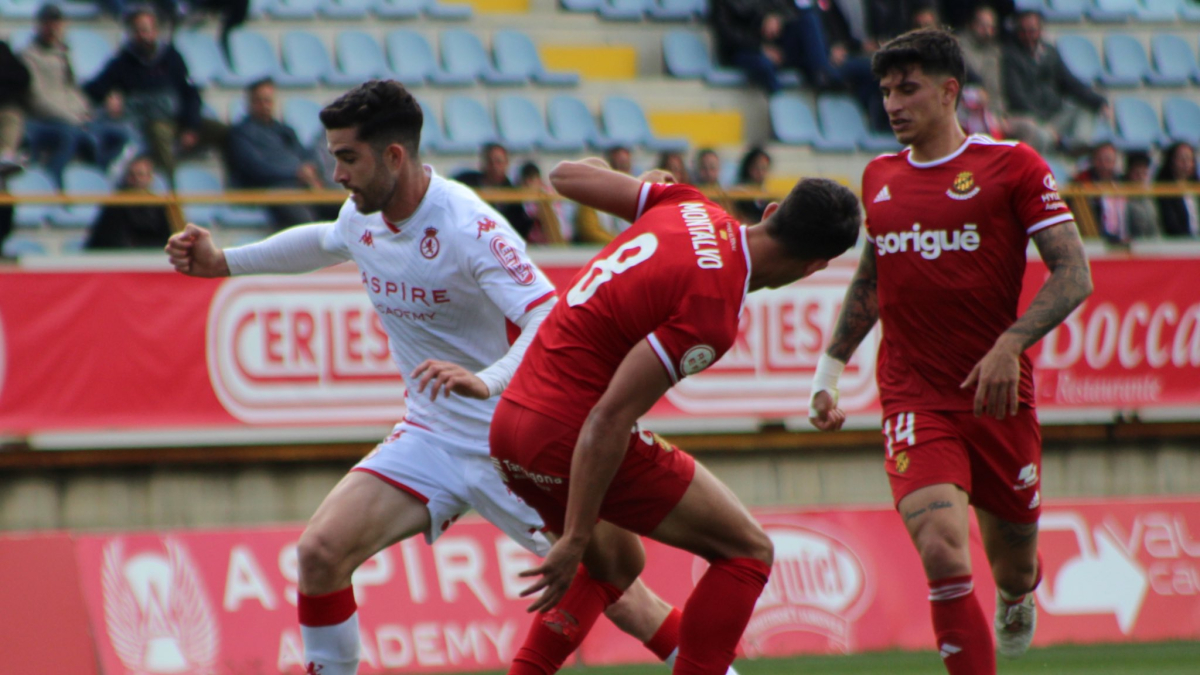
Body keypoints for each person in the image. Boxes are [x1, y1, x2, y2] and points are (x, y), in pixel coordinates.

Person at [165, 80, 722, 675]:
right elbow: (325, 242)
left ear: (394, 156)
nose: (337, 174)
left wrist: (488, 380)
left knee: (623, 595)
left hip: (512, 442)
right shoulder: (361, 217)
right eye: (333, 157)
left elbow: (546, 314)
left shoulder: (468, 227)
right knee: (320, 552)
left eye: (347, 157)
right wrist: (225, 262)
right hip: (430, 435)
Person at [489, 162, 860, 675]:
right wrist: (574, 536)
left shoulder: (686, 203)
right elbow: (609, 418)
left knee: (616, 565)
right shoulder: (713, 310)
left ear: (772, 211)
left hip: (508, 426)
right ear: (815, 267)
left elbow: (564, 176)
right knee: (747, 552)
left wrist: (646, 187)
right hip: (565, 431)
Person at [809, 28, 1093, 675]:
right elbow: (872, 280)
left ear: (949, 91)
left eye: (907, 89)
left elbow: (1073, 272)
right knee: (942, 548)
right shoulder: (879, 178)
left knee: (1014, 562)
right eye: (885, 91)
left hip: (998, 395)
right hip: (915, 396)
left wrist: (1011, 343)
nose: (892, 104)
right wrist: (829, 368)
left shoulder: (1014, 166)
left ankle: (1018, 593)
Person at [84, 5, 226, 178]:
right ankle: (171, 191)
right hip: (151, 122)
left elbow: (190, 94)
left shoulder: (172, 57)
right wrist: (108, 98)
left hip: (180, 119)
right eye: (137, 31)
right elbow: (93, 89)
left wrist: (191, 127)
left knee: (225, 133)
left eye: (146, 30)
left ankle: (237, 186)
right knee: (160, 132)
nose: (143, 36)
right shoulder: (122, 63)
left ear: (156, 31)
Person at [21, 4, 134, 186]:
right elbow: (36, 98)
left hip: (74, 116)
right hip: (45, 119)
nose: (53, 29)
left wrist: (86, 110)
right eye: (48, 24)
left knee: (121, 134)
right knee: (69, 135)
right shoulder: (28, 57)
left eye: (57, 24)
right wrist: (72, 117)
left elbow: (73, 91)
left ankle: (99, 175)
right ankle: (52, 184)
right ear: (39, 26)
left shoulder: (65, 53)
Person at [226, 78, 336, 231]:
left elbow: (305, 153)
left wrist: (310, 168)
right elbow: (255, 167)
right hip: (271, 190)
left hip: (302, 185)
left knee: (344, 207)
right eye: (259, 100)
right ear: (250, 103)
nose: (265, 105)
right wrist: (296, 173)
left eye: (268, 100)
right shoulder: (240, 134)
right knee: (308, 224)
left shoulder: (284, 130)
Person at [1002, 10, 1108, 154]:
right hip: (1031, 118)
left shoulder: (1050, 52)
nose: (1028, 36)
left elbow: (1070, 82)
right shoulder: (1010, 56)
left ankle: (1076, 147)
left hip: (1055, 115)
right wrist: (1043, 122)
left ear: (1040, 30)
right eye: (1023, 31)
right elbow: (1016, 95)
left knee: (1086, 108)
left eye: (1032, 31)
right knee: (1042, 136)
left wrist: (1099, 102)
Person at [86, 153, 172, 249]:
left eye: (140, 175)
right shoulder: (115, 205)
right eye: (132, 175)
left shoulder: (160, 206)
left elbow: (166, 239)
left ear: (149, 178)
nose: (136, 180)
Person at [453, 142, 536, 241]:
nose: (495, 167)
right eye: (490, 162)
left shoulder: (513, 194)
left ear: (506, 163)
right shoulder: (467, 182)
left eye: (499, 162)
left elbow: (519, 227)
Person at [574, 145, 635, 244]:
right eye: (616, 166)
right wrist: (620, 243)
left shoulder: (636, 196)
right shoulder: (590, 194)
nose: (622, 172)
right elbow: (590, 231)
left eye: (625, 166)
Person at [1073, 142, 1128, 244]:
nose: (1104, 164)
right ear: (1094, 161)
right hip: (1094, 238)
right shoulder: (1082, 180)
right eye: (1100, 159)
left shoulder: (1122, 182)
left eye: (1108, 160)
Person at [0, 36, 30, 177]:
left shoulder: (2, 49)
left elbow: (22, 77)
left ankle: (5, 157)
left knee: (12, 114)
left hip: (4, 106)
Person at [1155, 142, 1199, 237]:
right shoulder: (1164, 190)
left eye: (1189, 159)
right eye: (1181, 159)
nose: (1186, 163)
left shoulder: (1196, 188)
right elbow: (1170, 223)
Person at [1122, 151, 1157, 240]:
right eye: (1137, 173)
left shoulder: (1153, 198)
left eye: (1144, 173)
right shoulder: (1123, 199)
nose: (1141, 177)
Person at [732, 145, 771, 223]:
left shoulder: (768, 196)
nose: (760, 173)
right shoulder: (738, 195)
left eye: (763, 168)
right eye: (756, 168)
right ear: (748, 168)